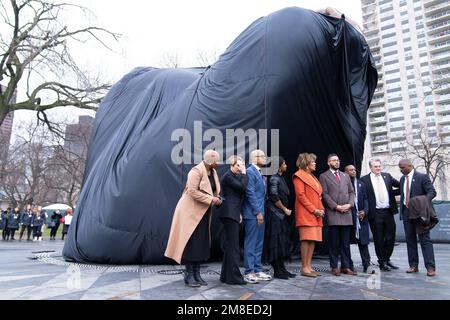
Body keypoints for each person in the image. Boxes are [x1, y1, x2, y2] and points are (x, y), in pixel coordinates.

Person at [165, 150, 222, 287]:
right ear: (210, 160)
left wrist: (217, 197)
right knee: (191, 243)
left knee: (200, 243)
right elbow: (192, 191)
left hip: (203, 213)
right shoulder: (195, 171)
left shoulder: (213, 173)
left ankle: (196, 274)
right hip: (189, 212)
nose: (218, 163)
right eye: (216, 161)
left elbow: (213, 190)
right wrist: (212, 199)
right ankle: (189, 274)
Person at [398, 159, 437, 277]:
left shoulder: (422, 177)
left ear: (410, 166)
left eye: (402, 167)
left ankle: (430, 268)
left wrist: (423, 201)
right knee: (410, 240)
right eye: (399, 168)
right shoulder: (402, 179)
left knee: (425, 240)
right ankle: (413, 265)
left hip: (420, 214)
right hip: (406, 213)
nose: (401, 170)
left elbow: (432, 192)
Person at [361, 158, 400, 271]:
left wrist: (394, 193)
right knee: (378, 238)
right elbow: (363, 197)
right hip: (375, 213)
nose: (378, 168)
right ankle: (382, 262)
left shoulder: (387, 176)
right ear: (371, 168)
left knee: (390, 237)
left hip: (388, 212)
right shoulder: (364, 180)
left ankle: (387, 258)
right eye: (375, 166)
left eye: (379, 166)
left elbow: (399, 185)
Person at [319, 154, 356, 276]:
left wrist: (350, 205)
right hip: (334, 213)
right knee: (334, 243)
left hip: (346, 213)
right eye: (334, 160)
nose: (336, 162)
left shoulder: (345, 176)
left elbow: (351, 192)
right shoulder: (324, 176)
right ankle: (334, 266)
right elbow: (325, 194)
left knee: (345, 243)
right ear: (328, 162)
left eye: (338, 160)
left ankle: (345, 266)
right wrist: (336, 206)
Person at [242, 150, 272, 283]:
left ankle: (257, 270)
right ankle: (249, 272)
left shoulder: (259, 173)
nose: (265, 158)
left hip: (261, 213)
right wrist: (258, 212)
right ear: (254, 158)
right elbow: (250, 194)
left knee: (259, 243)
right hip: (253, 214)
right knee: (251, 242)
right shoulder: (250, 172)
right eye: (262, 156)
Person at [293, 153, 324, 278]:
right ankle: (304, 268)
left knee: (312, 240)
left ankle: (309, 267)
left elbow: (318, 196)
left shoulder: (312, 177)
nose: (315, 163)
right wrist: (314, 210)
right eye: (313, 162)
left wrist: (320, 209)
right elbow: (301, 196)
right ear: (306, 163)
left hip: (316, 213)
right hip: (306, 213)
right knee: (306, 239)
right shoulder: (298, 175)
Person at [219, 156, 248, 285]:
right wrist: (244, 173)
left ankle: (226, 276)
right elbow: (242, 187)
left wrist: (239, 213)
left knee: (231, 245)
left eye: (241, 165)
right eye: (238, 165)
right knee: (234, 246)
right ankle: (234, 278)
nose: (240, 168)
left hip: (233, 213)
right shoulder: (228, 176)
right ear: (232, 165)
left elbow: (237, 196)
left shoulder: (233, 176)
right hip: (229, 213)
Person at [265, 156, 296, 279]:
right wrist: (284, 209)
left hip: (280, 216)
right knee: (276, 242)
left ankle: (282, 268)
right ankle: (277, 270)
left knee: (281, 242)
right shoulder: (273, 179)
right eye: (284, 164)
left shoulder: (280, 178)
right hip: (275, 215)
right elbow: (274, 197)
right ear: (279, 166)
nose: (286, 165)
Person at [345, 165, 372, 274]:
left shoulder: (361, 183)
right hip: (348, 217)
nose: (354, 171)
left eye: (354, 169)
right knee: (346, 243)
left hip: (361, 218)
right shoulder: (344, 184)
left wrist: (364, 211)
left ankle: (367, 265)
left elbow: (365, 199)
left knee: (363, 243)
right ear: (346, 172)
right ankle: (348, 265)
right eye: (351, 170)